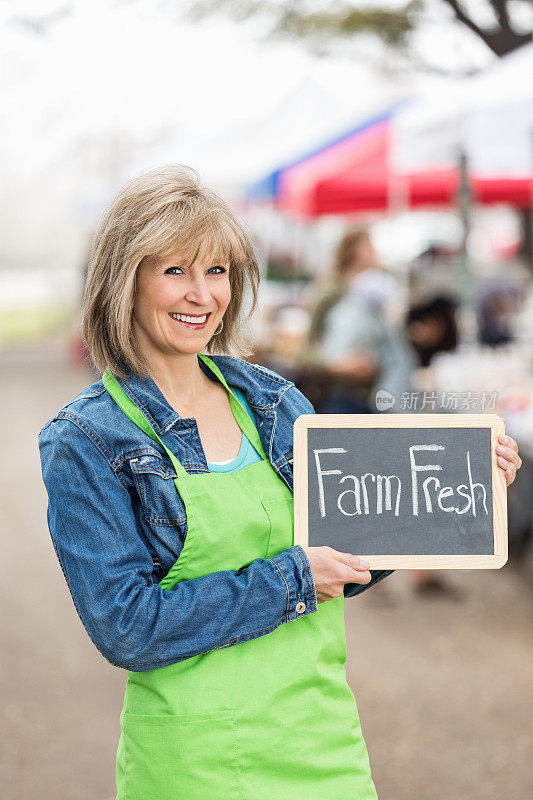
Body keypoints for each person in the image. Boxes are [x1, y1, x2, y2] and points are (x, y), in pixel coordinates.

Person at [38, 165, 522, 800]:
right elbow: (128, 626)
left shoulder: (274, 402)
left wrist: (452, 494)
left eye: (216, 272)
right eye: (175, 270)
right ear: (125, 281)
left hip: (320, 742)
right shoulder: (86, 439)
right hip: (195, 761)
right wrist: (294, 578)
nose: (201, 294)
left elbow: (343, 559)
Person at [303, 228, 417, 413]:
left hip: (382, 397)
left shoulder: (383, 286)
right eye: (370, 246)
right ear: (356, 251)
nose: (376, 252)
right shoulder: (330, 291)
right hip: (343, 398)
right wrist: (337, 365)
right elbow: (305, 350)